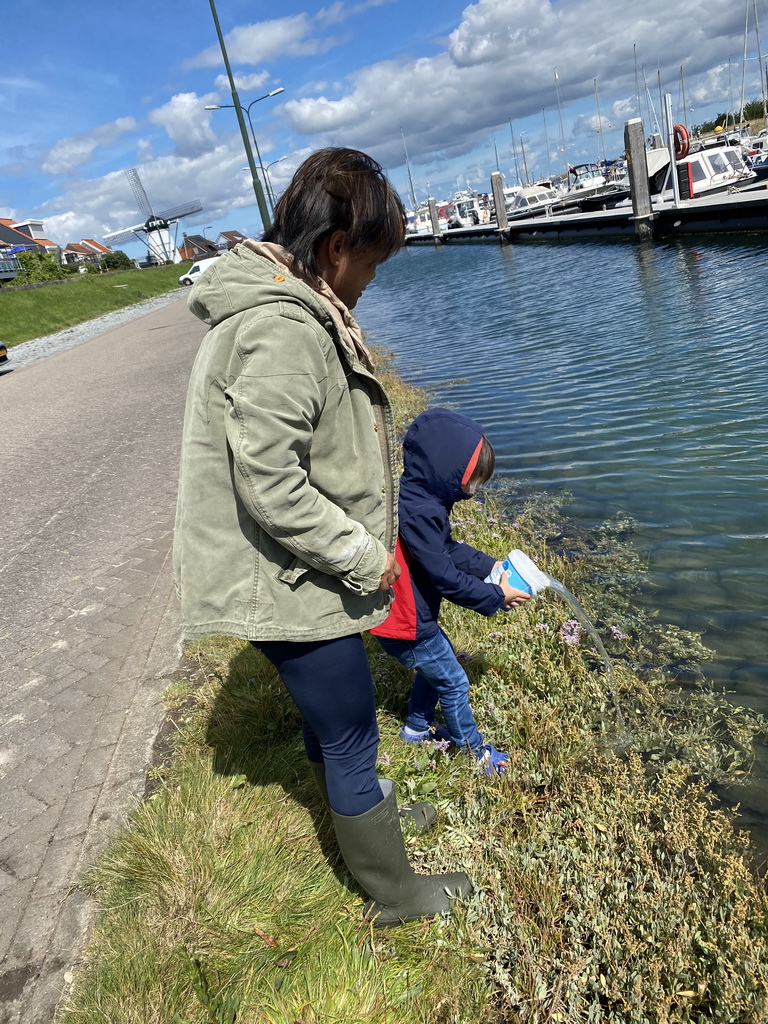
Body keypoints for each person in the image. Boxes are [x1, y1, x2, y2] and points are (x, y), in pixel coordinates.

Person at [173, 148, 472, 927]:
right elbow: (271, 481)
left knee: (334, 723)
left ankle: (369, 826)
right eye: (371, 263)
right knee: (349, 732)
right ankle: (395, 892)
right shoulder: (282, 329)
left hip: (291, 567)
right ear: (337, 248)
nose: (372, 282)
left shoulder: (288, 309)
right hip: (288, 573)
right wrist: (363, 555)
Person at [370, 408, 530, 773]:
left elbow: (447, 549)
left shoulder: (417, 497)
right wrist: (495, 596)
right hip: (407, 621)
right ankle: (476, 755)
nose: (472, 491)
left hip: (409, 617)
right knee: (455, 683)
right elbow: (443, 575)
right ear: (448, 469)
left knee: (439, 668)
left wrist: (491, 567)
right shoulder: (420, 511)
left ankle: (414, 727)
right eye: (472, 482)